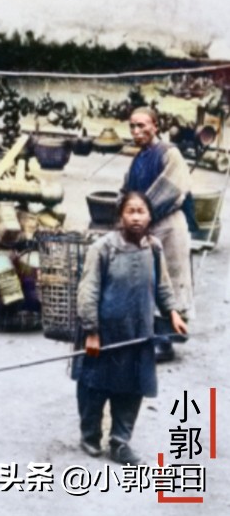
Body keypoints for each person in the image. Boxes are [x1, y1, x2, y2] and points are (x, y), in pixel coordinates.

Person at [75, 191, 188, 464]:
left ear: (150, 216)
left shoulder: (154, 248)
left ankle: (120, 441)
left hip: (138, 333)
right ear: (120, 216)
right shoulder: (103, 248)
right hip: (104, 333)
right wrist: (91, 331)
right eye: (130, 211)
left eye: (141, 211)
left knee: (133, 388)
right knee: (94, 387)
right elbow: (87, 291)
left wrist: (172, 312)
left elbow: (162, 285)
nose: (136, 217)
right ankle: (89, 435)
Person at [122, 107, 194, 320]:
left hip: (168, 225)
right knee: (147, 278)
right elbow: (125, 190)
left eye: (141, 125)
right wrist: (122, 211)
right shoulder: (137, 159)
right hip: (145, 226)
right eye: (132, 126)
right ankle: (150, 332)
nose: (136, 131)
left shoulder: (169, 153)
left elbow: (171, 189)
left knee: (170, 279)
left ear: (155, 126)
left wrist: (139, 213)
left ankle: (169, 335)